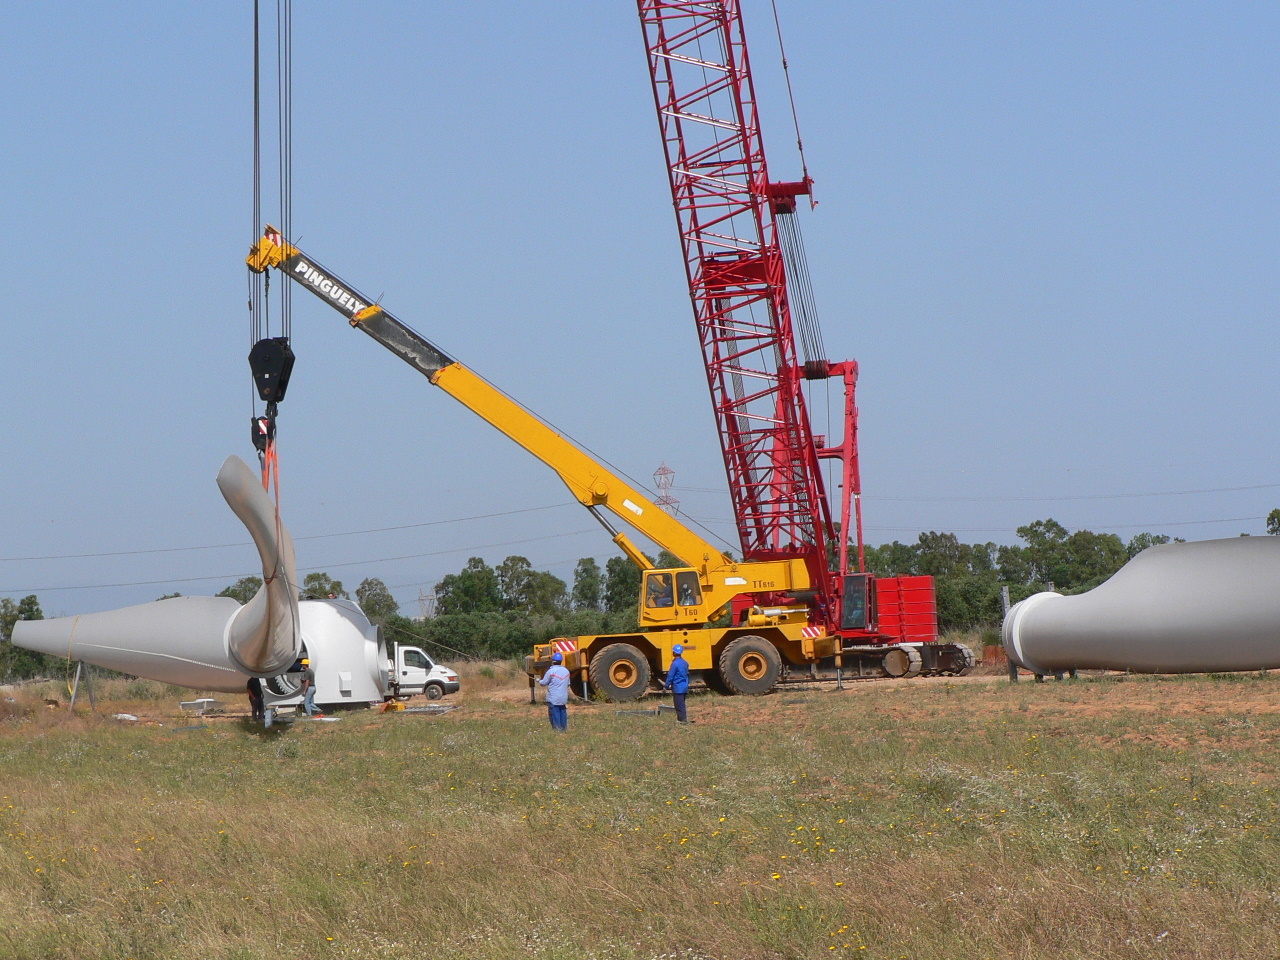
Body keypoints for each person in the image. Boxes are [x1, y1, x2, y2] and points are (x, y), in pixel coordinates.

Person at [537, 651, 571, 731]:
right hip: (563, 698)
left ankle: (557, 730)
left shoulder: (551, 671)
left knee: (554, 714)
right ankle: (563, 729)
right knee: (563, 713)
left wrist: (538, 680)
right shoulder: (566, 671)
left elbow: (544, 683)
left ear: (553, 661)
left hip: (553, 698)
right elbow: (568, 683)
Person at [665, 643, 691, 723]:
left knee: (679, 705)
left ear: (675, 653)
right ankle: (682, 719)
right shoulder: (685, 663)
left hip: (677, 687)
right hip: (684, 686)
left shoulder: (675, 664)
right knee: (682, 704)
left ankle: (682, 720)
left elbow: (670, 675)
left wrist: (666, 686)